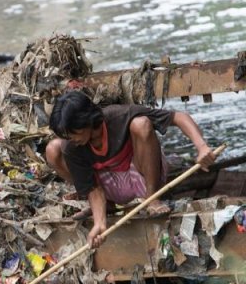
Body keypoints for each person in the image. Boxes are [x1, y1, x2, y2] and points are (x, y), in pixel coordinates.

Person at [46, 90, 216, 249]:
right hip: (107, 188)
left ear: (85, 121)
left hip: (141, 176)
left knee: (141, 124)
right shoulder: (72, 146)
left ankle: (152, 199)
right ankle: (108, 206)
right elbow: (93, 189)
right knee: (53, 149)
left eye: (72, 133)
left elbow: (179, 117)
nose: (70, 139)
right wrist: (100, 223)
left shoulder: (121, 115)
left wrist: (201, 147)